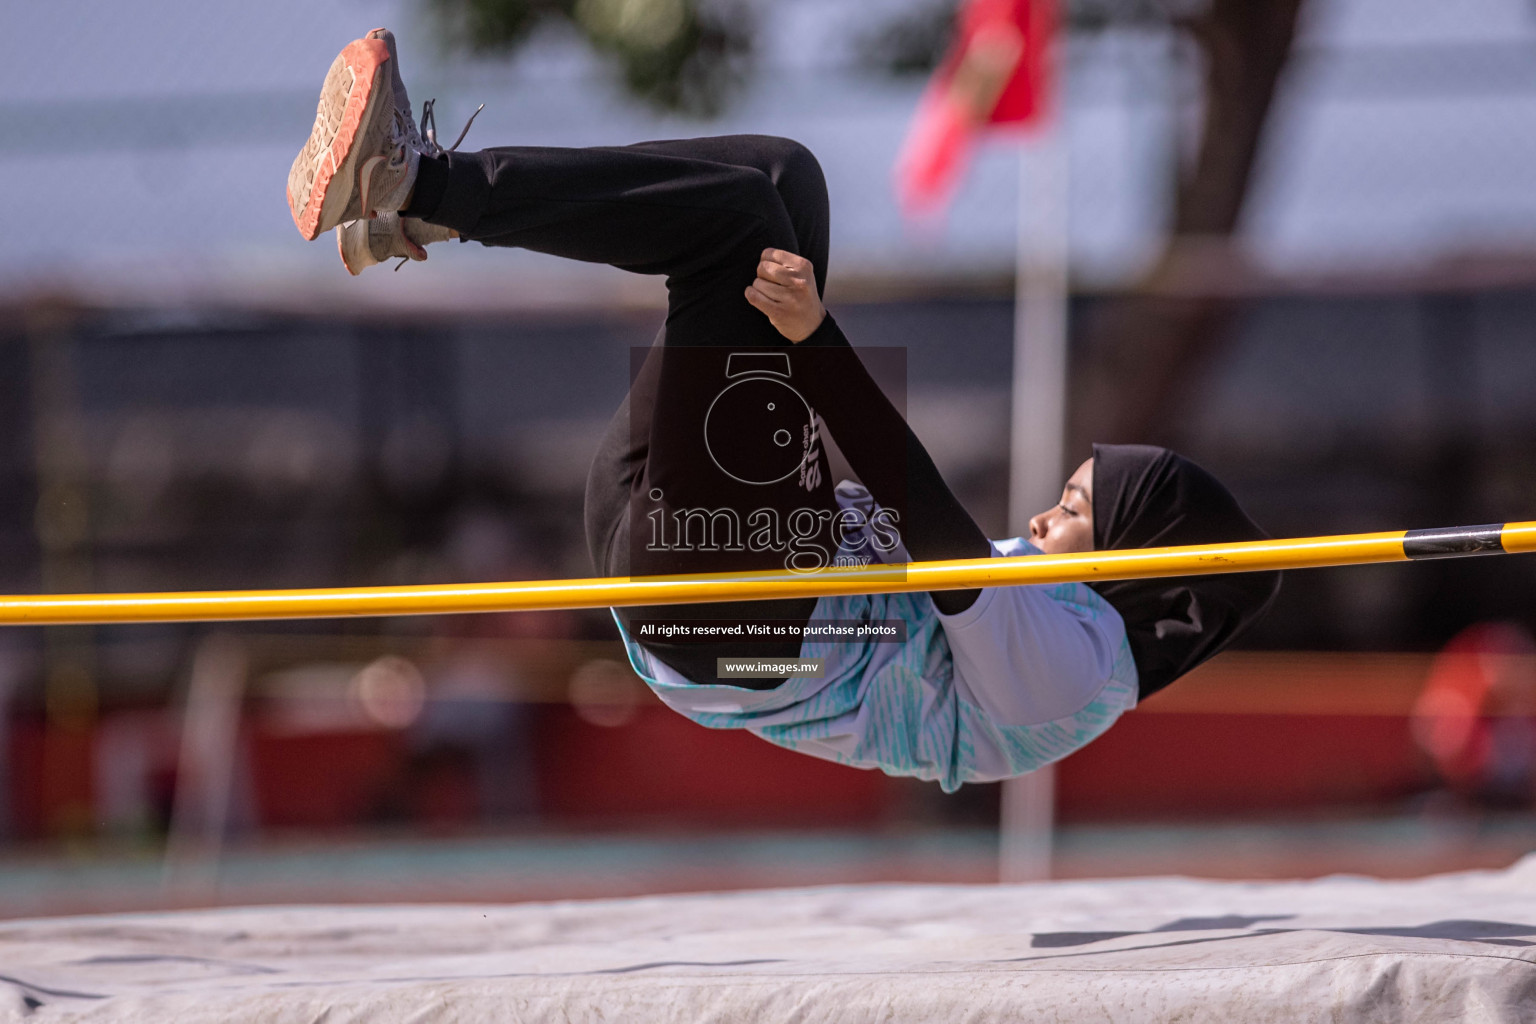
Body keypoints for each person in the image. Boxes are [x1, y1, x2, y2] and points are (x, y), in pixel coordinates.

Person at [287, 30, 1281, 791]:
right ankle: (410, 212)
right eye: (1061, 495)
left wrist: (814, 342)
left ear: (1142, 565)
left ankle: (420, 183)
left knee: (736, 230)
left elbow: (931, 526)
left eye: (1072, 513)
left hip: (739, 625)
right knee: (781, 182)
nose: (1038, 518)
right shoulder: (1065, 617)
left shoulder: (1073, 668)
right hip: (711, 559)